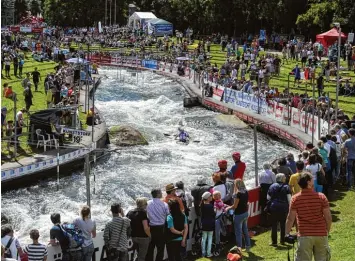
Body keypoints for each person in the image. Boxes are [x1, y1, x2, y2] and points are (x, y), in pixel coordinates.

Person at [285, 172, 332, 261]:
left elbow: (290, 218)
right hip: (321, 233)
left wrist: (287, 234)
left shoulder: (295, 198)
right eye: (312, 179)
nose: (313, 180)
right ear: (309, 182)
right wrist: (327, 231)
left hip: (304, 235)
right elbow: (328, 218)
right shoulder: (321, 197)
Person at [267, 173, 291, 246]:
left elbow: (268, 198)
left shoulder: (272, 186)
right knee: (283, 224)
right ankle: (282, 240)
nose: (285, 178)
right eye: (284, 177)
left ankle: (274, 242)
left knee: (274, 224)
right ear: (282, 179)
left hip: (273, 207)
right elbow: (289, 199)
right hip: (283, 208)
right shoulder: (286, 187)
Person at [146, 189, 169, 261]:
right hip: (161, 228)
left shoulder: (147, 203)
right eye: (161, 192)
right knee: (160, 249)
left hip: (151, 228)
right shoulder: (164, 204)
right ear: (158, 194)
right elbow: (168, 215)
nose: (162, 193)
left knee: (150, 248)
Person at [200, 192, 215, 258]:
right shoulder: (211, 206)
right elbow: (213, 214)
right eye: (211, 196)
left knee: (204, 238)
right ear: (208, 198)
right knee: (210, 239)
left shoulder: (202, 206)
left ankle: (203, 253)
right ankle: (208, 253)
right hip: (210, 223)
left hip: (204, 223)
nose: (212, 197)